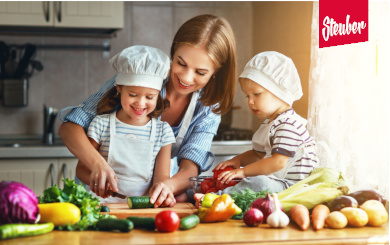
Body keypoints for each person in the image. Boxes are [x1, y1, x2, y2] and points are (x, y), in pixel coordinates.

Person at [58, 14, 237, 207]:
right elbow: (70, 127)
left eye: (200, 72)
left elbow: (189, 167)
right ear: (174, 50)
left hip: (143, 201)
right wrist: (98, 165)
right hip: (95, 198)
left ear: (216, 71)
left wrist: (167, 187)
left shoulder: (208, 108)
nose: (186, 77)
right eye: (181, 63)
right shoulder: (139, 76)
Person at [75, 45, 176, 204]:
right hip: (102, 206)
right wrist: (97, 182)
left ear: (158, 96)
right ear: (119, 88)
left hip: (141, 209)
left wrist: (162, 192)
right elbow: (81, 170)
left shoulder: (163, 132)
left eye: (150, 97)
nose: (140, 103)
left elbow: (161, 179)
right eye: (133, 95)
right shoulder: (101, 124)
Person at [212, 51, 318, 195]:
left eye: (256, 94)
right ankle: (208, 191)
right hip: (279, 183)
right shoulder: (272, 123)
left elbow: (278, 162)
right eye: (247, 96)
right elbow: (257, 155)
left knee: (259, 182)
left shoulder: (289, 124)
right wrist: (237, 160)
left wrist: (243, 172)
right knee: (253, 180)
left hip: (294, 188)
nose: (250, 101)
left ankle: (217, 197)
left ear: (279, 91)